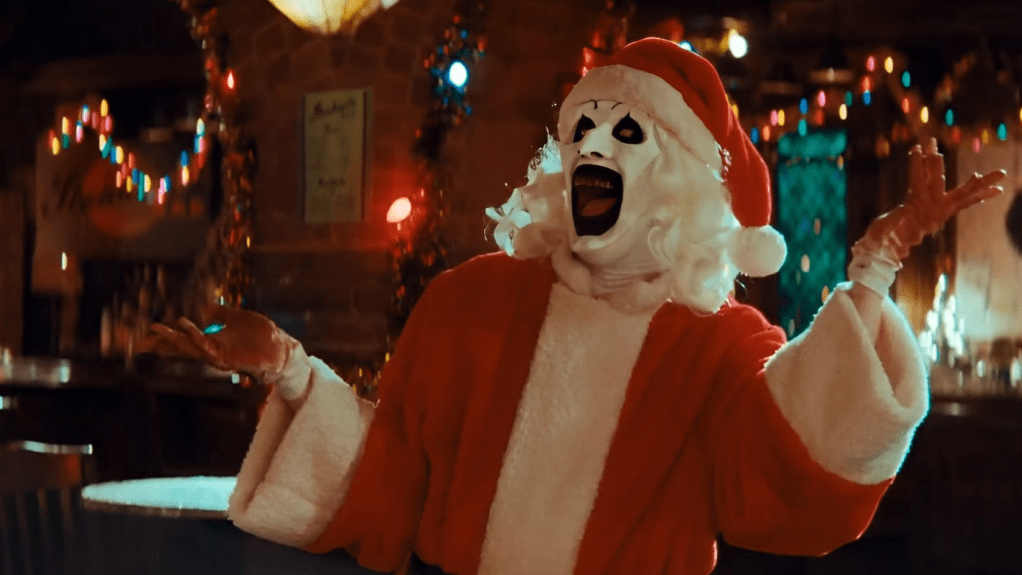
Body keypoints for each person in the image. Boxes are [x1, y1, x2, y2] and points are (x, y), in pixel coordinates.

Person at [140, 38, 1005, 575]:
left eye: (627, 132)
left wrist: (873, 272)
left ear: (679, 184)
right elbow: (394, 475)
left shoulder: (721, 345)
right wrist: (292, 370)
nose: (593, 144)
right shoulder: (469, 303)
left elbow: (786, 486)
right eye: (582, 128)